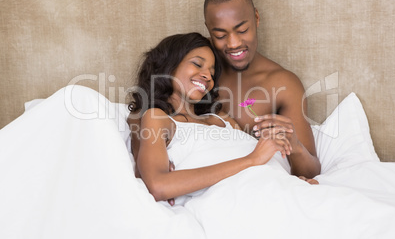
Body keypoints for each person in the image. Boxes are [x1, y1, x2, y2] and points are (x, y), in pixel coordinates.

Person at [127, 32, 316, 205]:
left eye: (211, 71)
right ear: (169, 65)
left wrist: (288, 181)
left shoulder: (223, 119)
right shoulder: (157, 118)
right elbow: (158, 186)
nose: (207, 75)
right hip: (242, 201)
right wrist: (253, 159)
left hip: (283, 190)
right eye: (197, 64)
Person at [203, 0, 321, 178]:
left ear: (256, 18)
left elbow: (311, 171)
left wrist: (295, 145)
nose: (233, 44)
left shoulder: (282, 84)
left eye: (242, 30)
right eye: (220, 35)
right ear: (208, 30)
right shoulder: (197, 65)